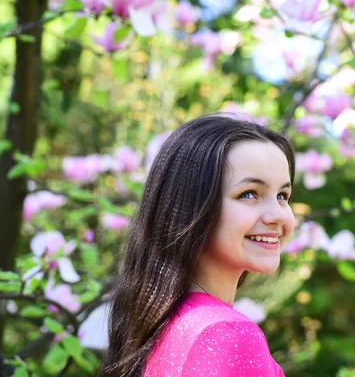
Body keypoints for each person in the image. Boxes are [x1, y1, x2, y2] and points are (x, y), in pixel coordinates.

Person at [102, 113, 295, 377]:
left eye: (283, 196)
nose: (279, 215)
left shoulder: (159, 327)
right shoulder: (228, 335)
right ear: (190, 208)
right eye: (249, 194)